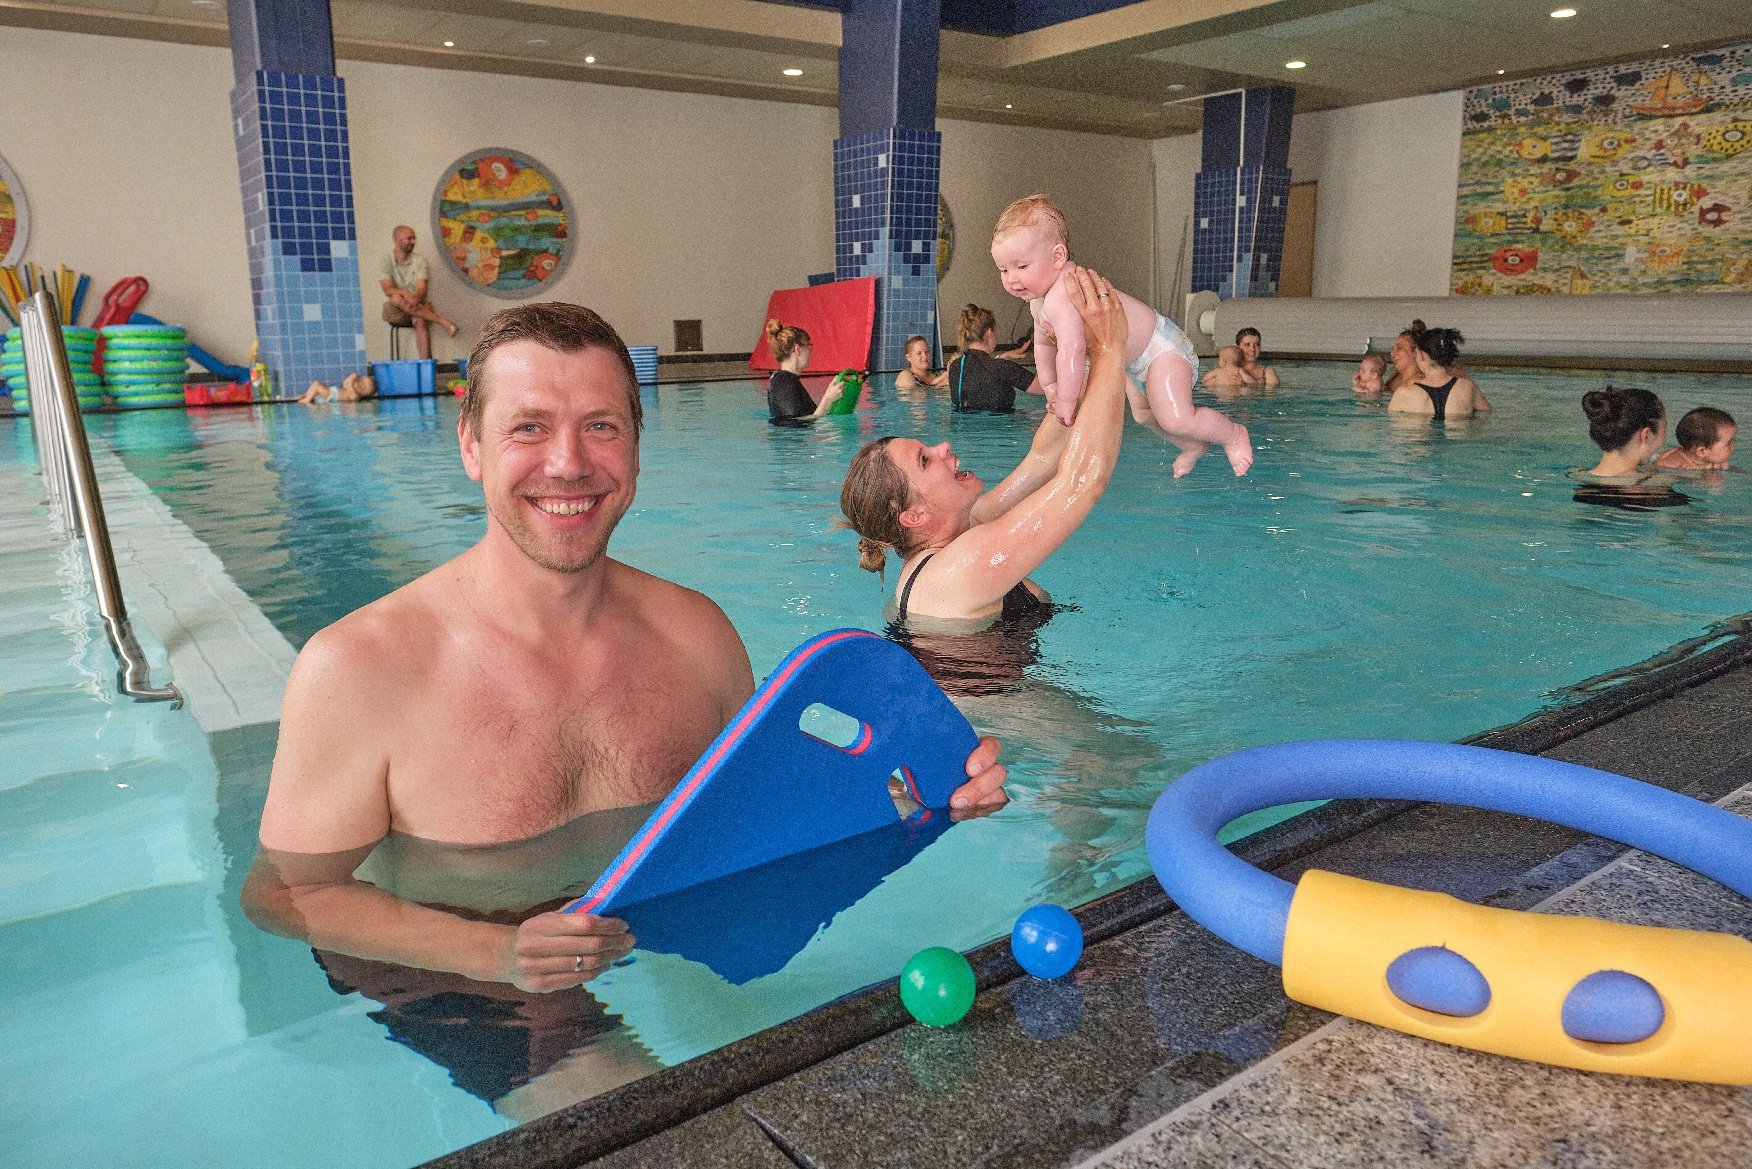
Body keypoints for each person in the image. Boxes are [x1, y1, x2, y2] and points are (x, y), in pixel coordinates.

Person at [242, 301, 1008, 994]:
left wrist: (922, 805)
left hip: (641, 931)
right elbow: (285, 893)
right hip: (450, 971)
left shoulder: (697, 638)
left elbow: (763, 825)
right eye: (530, 427)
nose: (569, 462)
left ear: (637, 449)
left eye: (601, 425)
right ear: (472, 445)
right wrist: (492, 952)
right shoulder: (359, 668)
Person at [839, 266, 1125, 640]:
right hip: (993, 700)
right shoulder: (957, 570)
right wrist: (1111, 348)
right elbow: (1081, 484)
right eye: (925, 460)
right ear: (914, 515)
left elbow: (1042, 460)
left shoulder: (960, 530)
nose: (943, 447)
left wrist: (1083, 358)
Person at [990, 194, 1251, 477]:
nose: (1012, 279)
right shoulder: (1039, 301)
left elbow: (1072, 349)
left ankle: (1232, 434)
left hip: (1161, 349)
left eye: (1022, 267)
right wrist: (1050, 385)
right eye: (1003, 270)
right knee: (1144, 416)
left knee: (1175, 418)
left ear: (1057, 257)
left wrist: (1066, 401)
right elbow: (1042, 344)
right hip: (1134, 363)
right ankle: (1193, 446)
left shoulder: (1064, 291)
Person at [380, 225, 458, 359]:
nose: (413, 242)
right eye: (409, 238)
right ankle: (442, 321)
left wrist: (414, 298)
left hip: (417, 306)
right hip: (396, 310)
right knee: (396, 298)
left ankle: (425, 366)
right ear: (397, 239)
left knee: (420, 320)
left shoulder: (420, 261)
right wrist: (406, 294)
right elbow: (388, 289)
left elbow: (422, 289)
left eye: (414, 239)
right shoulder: (386, 260)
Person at [944, 304, 1039, 413]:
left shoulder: (955, 366)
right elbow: (1046, 388)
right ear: (989, 333)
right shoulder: (1003, 368)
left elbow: (982, 371)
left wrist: (1003, 356)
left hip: (964, 426)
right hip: (1003, 426)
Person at [1388, 328, 1492, 421]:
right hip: (1457, 441)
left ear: (1421, 355)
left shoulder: (1403, 393)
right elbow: (1486, 415)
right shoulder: (1468, 386)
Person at [764, 319, 848, 421]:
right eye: (808, 346)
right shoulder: (784, 384)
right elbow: (796, 425)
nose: (810, 352)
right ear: (797, 349)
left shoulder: (785, 380)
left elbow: (804, 418)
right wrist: (827, 399)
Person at [1657, 406, 1737, 472]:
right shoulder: (1675, 465)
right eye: (1728, 443)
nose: (1733, 446)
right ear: (1702, 451)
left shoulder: (1714, 461)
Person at [297, 372, 377, 405]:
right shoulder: (351, 388)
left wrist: (353, 378)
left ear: (364, 395)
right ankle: (307, 395)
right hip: (332, 392)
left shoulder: (355, 396)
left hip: (333, 396)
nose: (359, 386)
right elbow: (345, 383)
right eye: (359, 382)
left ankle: (306, 401)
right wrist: (352, 377)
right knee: (317, 383)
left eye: (363, 388)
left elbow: (349, 385)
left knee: (317, 385)